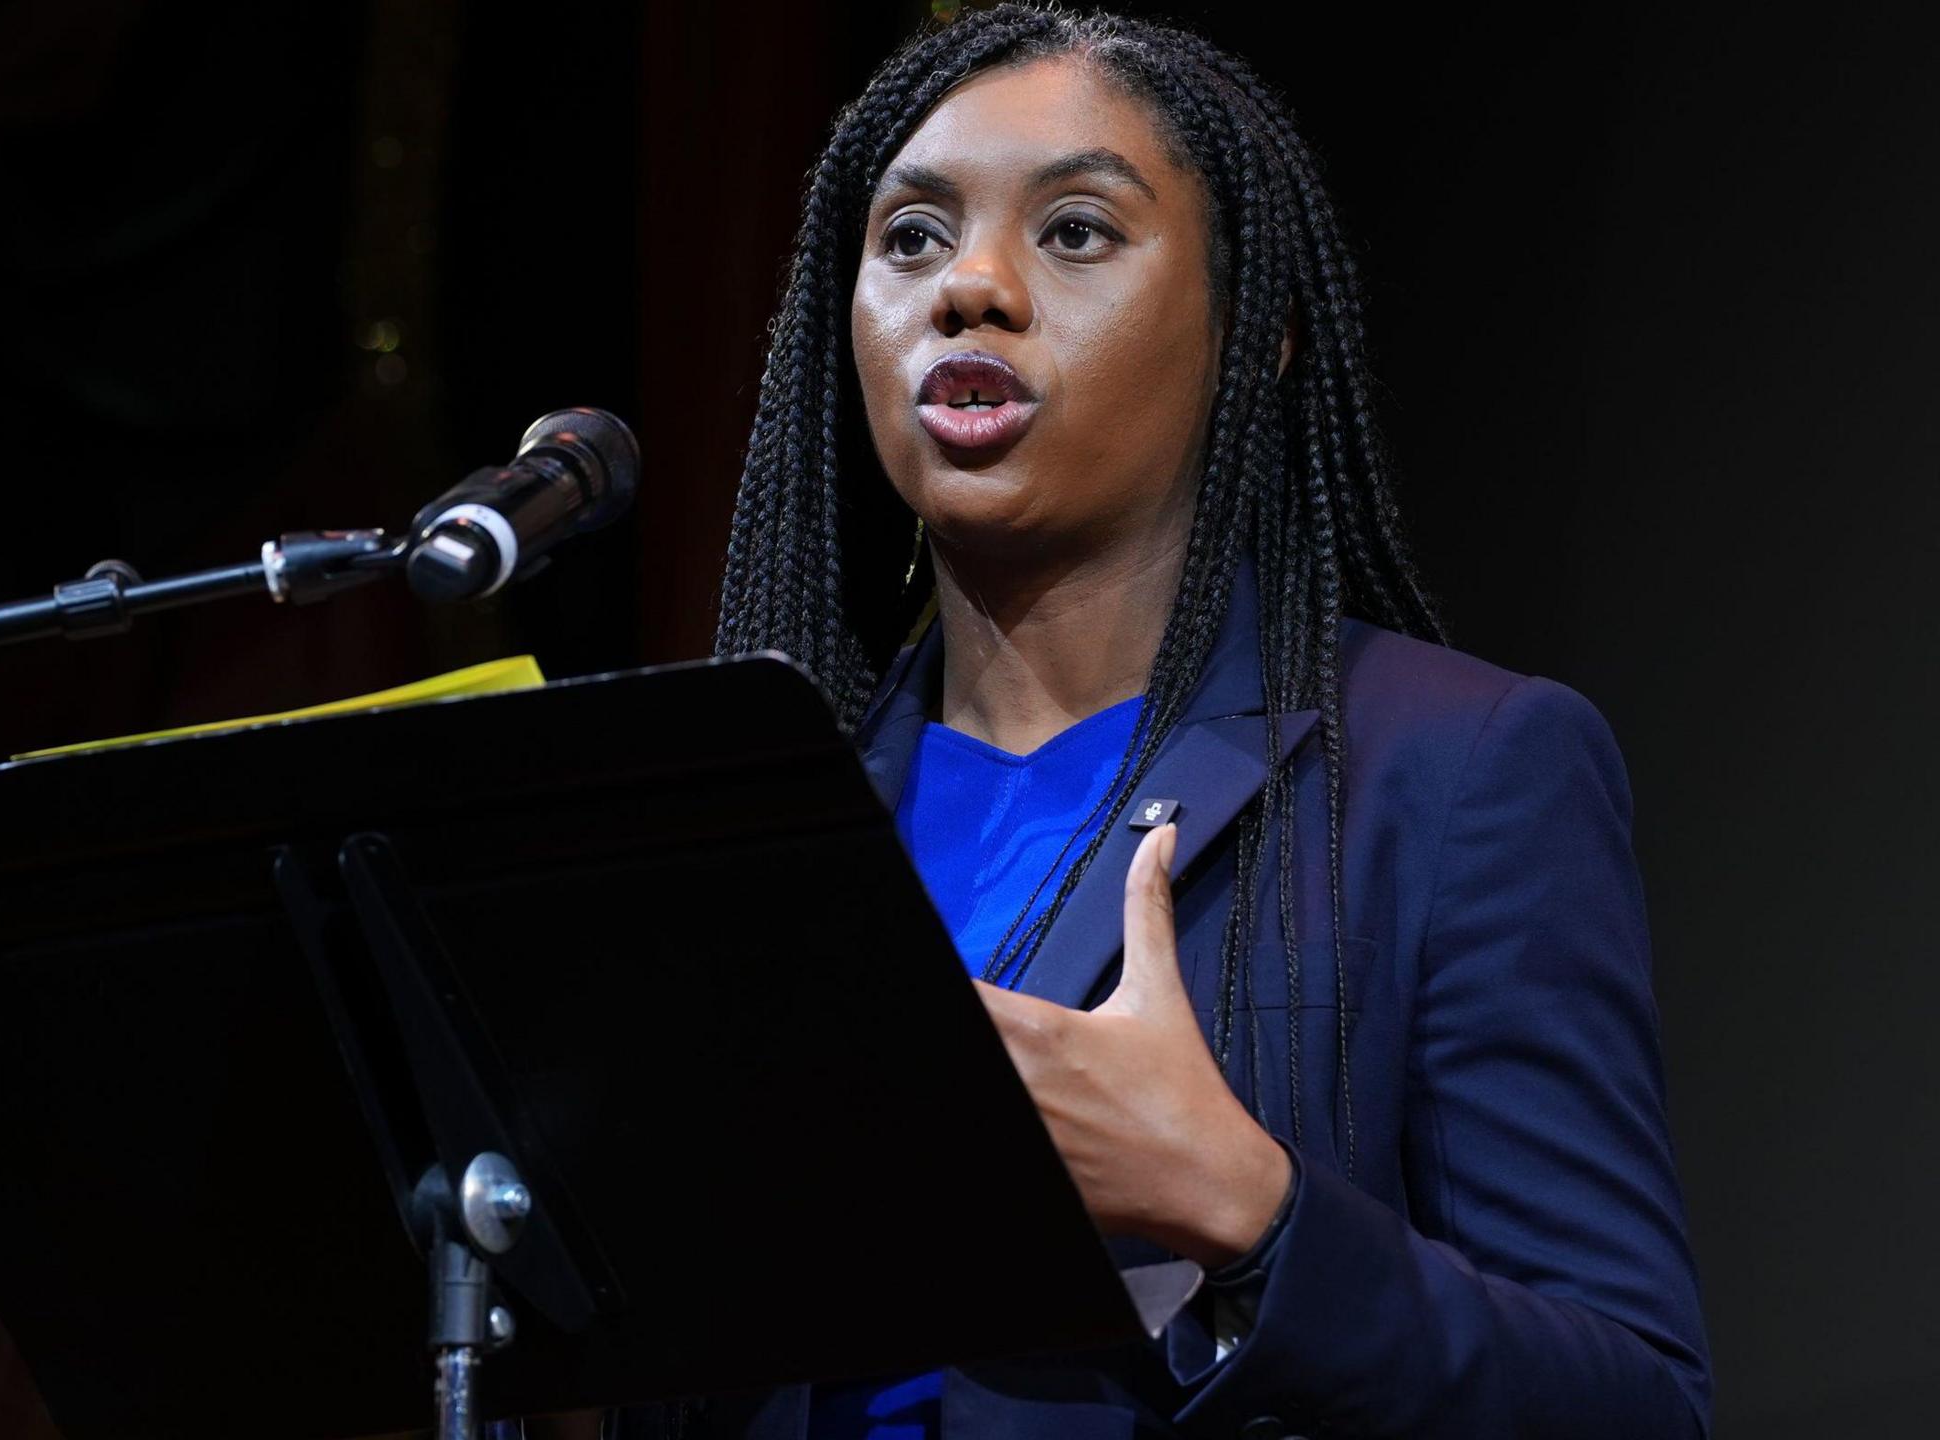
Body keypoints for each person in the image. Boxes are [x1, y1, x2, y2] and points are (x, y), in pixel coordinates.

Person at [647, 6, 1712, 1438]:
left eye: (1078, 231)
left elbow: (1638, 1406)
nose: (969, 286)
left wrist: (1250, 1211)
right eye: (908, 239)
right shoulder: (754, 831)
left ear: (1253, 327)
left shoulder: (1452, 770)